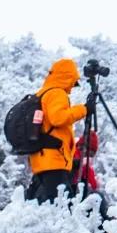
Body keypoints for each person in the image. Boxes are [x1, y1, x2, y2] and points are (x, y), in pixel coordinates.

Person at [26, 58, 94, 202]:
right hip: (53, 160)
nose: (72, 88)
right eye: (73, 83)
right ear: (67, 78)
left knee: (44, 204)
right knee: (62, 206)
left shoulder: (43, 93)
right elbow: (58, 118)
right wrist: (84, 109)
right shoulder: (57, 93)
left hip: (42, 159)